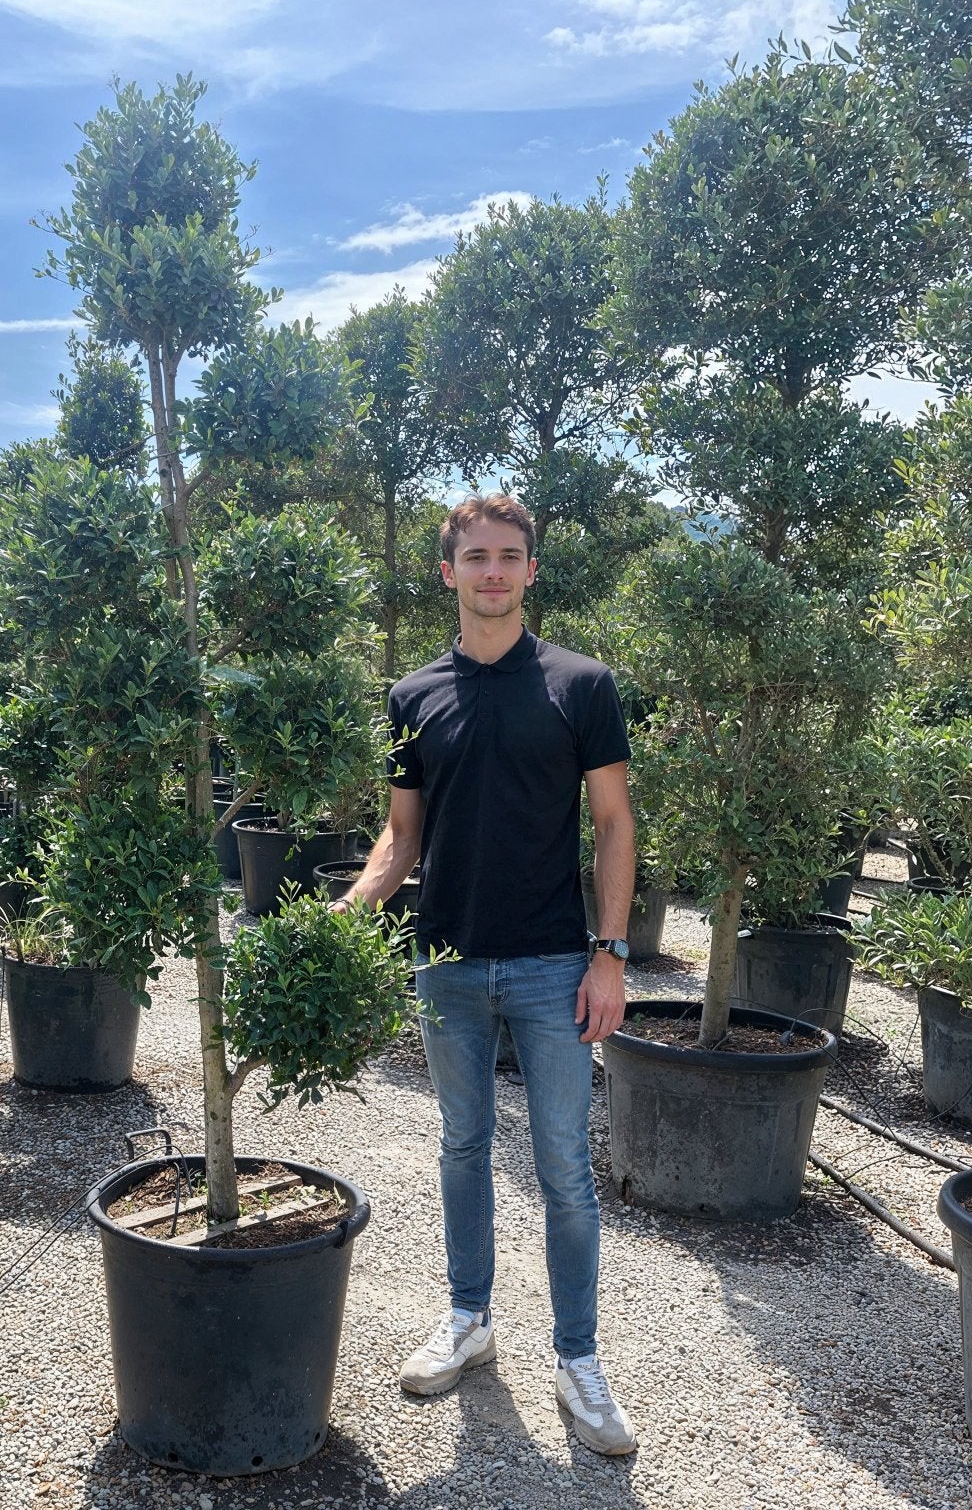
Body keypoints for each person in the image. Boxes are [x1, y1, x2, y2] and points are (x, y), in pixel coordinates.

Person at [332, 492, 637, 1457]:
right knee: (462, 1149)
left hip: (554, 964)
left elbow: (616, 824)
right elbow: (401, 836)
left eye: (510, 555)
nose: (493, 571)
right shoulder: (411, 697)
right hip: (448, 962)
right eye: (477, 557)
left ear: (531, 570)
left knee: (566, 1172)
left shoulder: (582, 686)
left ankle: (578, 1361)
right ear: (449, 571)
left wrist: (611, 954)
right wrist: (341, 921)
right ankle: (469, 1320)